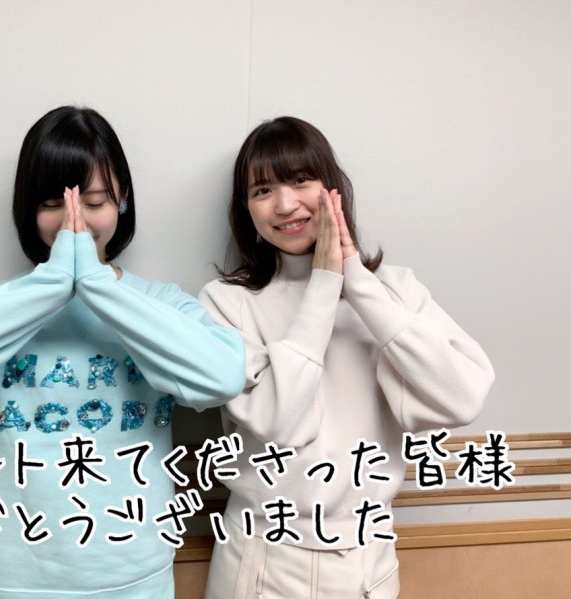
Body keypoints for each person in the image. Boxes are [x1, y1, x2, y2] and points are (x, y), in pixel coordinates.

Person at [0, 106, 245, 599]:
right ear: (28, 209)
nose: (76, 220)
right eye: (54, 203)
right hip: (11, 579)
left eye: (95, 201)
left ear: (123, 199)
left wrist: (96, 283)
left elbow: (222, 378)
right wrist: (52, 283)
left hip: (134, 574)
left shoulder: (160, 306)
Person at [199, 116, 495, 598]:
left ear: (332, 189)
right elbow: (280, 423)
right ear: (245, 208)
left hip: (365, 559)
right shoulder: (225, 302)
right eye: (262, 190)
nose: (285, 205)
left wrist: (356, 280)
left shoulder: (395, 289)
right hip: (259, 557)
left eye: (300, 180)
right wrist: (323, 286)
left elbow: (461, 398)